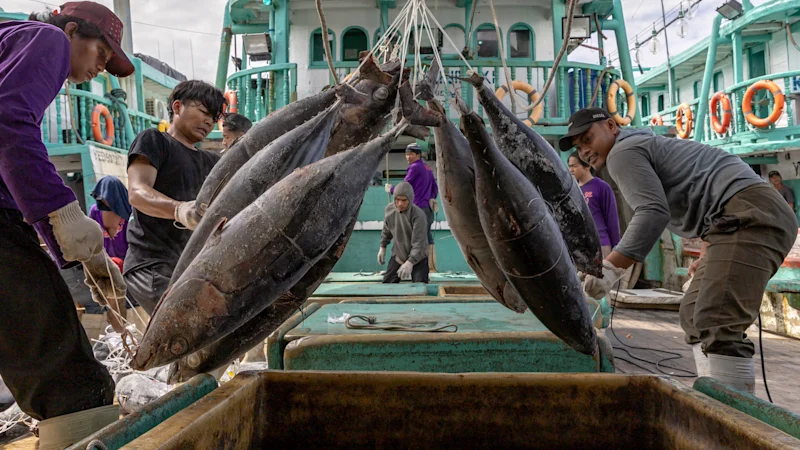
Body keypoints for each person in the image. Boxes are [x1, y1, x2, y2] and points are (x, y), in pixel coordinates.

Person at [560, 107, 797, 394]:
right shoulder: (641, 145)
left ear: (611, 126)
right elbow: (712, 193)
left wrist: (611, 269)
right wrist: (710, 249)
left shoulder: (623, 152)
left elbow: (651, 213)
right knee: (694, 313)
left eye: (587, 139)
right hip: (734, 217)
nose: (584, 151)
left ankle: (734, 416)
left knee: (716, 320)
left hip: (752, 215)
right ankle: (713, 399)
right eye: (578, 147)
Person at [0, 2, 132, 444]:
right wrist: (63, 211)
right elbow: (9, 125)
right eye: (101, 52)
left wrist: (79, 257)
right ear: (73, 30)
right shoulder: (47, 39)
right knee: (70, 382)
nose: (102, 66)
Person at [124, 80, 225, 314]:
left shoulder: (213, 162)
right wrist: (180, 210)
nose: (209, 121)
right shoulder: (154, 141)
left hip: (193, 266)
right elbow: (138, 192)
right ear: (178, 107)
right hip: (152, 265)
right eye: (203, 112)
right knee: (187, 322)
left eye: (214, 117)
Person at [385, 143, 439, 270]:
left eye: (411, 154)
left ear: (418, 155)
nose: (408, 157)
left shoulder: (414, 168)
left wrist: (391, 189)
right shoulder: (427, 168)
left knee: (413, 238)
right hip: (428, 209)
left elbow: (404, 188)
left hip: (417, 209)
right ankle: (431, 267)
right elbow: (435, 188)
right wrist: (430, 198)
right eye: (406, 154)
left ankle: (411, 266)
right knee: (427, 237)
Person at [567, 151, 621, 257]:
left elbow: (612, 219)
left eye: (574, 166)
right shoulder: (571, 190)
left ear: (586, 166)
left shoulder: (601, 187)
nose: (571, 170)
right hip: (579, 247)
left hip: (601, 245)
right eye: (569, 166)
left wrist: (616, 248)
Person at [378, 181, 429, 283]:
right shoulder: (389, 210)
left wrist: (410, 262)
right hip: (398, 255)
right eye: (397, 200)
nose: (400, 203)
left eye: (404, 200)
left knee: (420, 288)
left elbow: (419, 243)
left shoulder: (418, 215)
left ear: (410, 199)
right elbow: (386, 230)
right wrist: (382, 247)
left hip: (418, 258)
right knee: (387, 285)